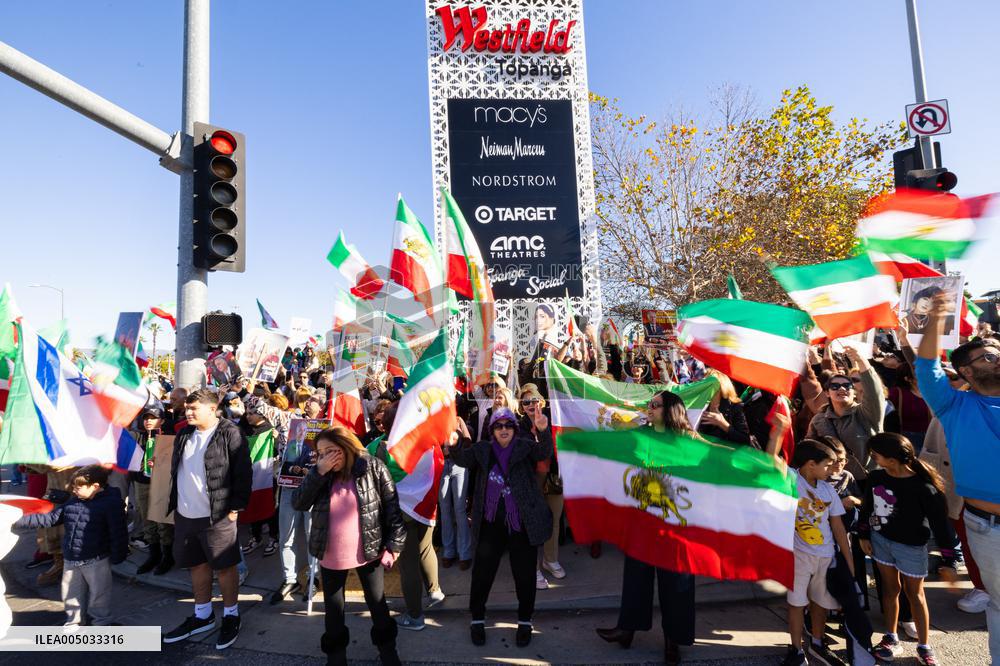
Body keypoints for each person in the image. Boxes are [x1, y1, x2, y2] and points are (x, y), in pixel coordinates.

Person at [914, 293, 1000, 662]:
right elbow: (926, 365)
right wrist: (936, 319)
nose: (998, 358)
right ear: (965, 371)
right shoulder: (953, 405)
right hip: (989, 530)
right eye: (989, 356)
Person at [596, 391, 699, 665]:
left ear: (670, 409)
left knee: (675, 584)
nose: (649, 408)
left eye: (655, 404)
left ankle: (672, 642)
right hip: (642, 519)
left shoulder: (688, 439)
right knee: (635, 577)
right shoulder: (640, 434)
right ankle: (626, 631)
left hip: (675, 522)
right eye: (648, 404)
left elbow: (710, 466)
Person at [292, 426, 405, 666]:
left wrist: (394, 545)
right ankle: (336, 658)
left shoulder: (372, 467)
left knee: (377, 605)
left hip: (369, 551)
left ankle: (388, 652)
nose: (325, 457)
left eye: (330, 451)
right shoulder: (320, 473)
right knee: (334, 611)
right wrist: (318, 473)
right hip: (330, 554)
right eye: (321, 453)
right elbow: (299, 502)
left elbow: (392, 510)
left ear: (345, 447)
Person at [445, 407, 553, 648]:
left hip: (522, 523)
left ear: (514, 428)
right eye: (498, 425)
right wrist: (454, 444)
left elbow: (544, 452)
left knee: (525, 575)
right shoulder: (483, 449)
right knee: (482, 574)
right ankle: (477, 619)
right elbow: (462, 459)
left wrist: (543, 431)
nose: (504, 429)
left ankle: (525, 621)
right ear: (492, 429)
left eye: (508, 425)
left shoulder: (525, 446)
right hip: (490, 523)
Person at [859, 433, 959, 666]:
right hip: (880, 540)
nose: (873, 458)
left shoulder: (925, 488)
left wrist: (948, 560)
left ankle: (924, 647)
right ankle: (891, 637)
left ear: (892, 460)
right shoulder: (876, 477)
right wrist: (864, 534)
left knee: (915, 595)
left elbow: (941, 526)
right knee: (890, 590)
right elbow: (867, 507)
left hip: (912, 548)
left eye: (876, 455)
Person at [163, 389, 252, 650]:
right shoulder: (184, 433)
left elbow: (243, 473)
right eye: (187, 408)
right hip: (185, 514)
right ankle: (203, 615)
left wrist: (235, 508)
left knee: (225, 567)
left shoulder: (230, 433)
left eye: (194, 408)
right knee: (196, 565)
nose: (188, 412)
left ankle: (231, 615)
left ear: (212, 409)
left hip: (218, 515)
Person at [15, 464, 127, 626]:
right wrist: (17, 519)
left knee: (99, 595)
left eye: (78, 487)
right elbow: (49, 519)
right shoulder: (72, 502)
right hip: (71, 559)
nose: (73, 490)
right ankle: (74, 623)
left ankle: (102, 622)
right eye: (73, 486)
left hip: (96, 560)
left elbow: (118, 532)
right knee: (71, 594)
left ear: (95, 487)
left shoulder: (111, 505)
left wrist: (118, 554)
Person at [780, 438, 854, 666]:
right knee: (796, 603)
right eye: (827, 465)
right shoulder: (791, 479)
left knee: (820, 602)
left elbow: (838, 527)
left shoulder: (828, 489)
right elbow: (774, 462)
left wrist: (849, 561)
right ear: (810, 464)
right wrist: (778, 434)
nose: (832, 470)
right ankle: (796, 649)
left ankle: (817, 643)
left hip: (826, 556)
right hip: (798, 557)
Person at [806, 346, 885, 479]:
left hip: (867, 481)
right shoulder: (819, 419)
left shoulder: (866, 413)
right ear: (827, 393)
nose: (842, 388)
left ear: (854, 392)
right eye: (835, 386)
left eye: (847, 385)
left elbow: (874, 392)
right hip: (830, 483)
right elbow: (808, 451)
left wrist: (861, 360)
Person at [517, 384, 564, 590]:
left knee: (554, 519)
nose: (530, 405)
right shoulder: (517, 427)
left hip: (553, 477)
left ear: (542, 402)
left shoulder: (556, 420)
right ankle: (533, 567)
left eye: (534, 400)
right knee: (533, 523)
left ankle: (550, 559)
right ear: (521, 407)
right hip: (532, 480)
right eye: (525, 402)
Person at [131, 405, 175, 575]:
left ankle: (167, 556)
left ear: (162, 420)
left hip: (161, 483)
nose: (148, 421)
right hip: (141, 482)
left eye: (153, 418)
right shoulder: (138, 436)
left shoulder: (168, 437)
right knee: (147, 519)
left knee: (162, 521)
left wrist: (161, 462)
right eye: (146, 418)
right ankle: (154, 554)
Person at [439, 421, 474, 571]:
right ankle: (449, 551)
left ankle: (465, 553)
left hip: (458, 465)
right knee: (444, 510)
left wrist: (454, 445)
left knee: (460, 509)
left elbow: (468, 442)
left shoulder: (457, 420)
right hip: (440, 465)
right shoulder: (432, 421)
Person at [698, 369, 752, 446]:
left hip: (724, 451)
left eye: (711, 384)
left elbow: (745, 440)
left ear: (722, 387)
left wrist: (723, 424)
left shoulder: (734, 406)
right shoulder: (699, 404)